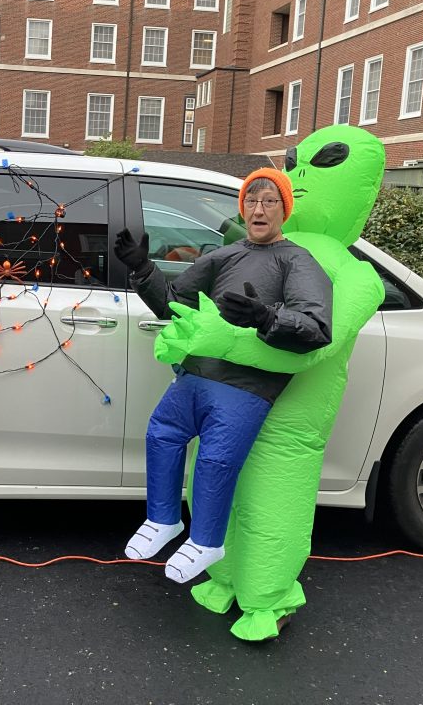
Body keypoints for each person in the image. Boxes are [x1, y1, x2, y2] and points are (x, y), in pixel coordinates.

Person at [114, 167, 332, 584]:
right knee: (161, 434)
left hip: (246, 385)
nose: (259, 210)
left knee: (216, 460)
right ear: (242, 208)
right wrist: (142, 268)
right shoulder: (224, 255)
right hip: (196, 373)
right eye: (251, 201)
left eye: (269, 202)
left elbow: (317, 328)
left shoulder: (297, 260)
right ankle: (163, 520)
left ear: (284, 210)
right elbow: (174, 305)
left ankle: (206, 541)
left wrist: (266, 316)